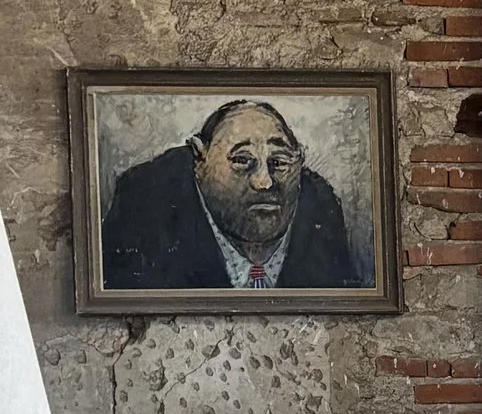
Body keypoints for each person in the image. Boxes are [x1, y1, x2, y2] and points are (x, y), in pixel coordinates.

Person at [98, 97, 361, 292]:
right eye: (242, 160)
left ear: (299, 159)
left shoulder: (320, 207)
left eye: (279, 162)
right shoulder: (145, 204)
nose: (264, 182)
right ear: (200, 159)